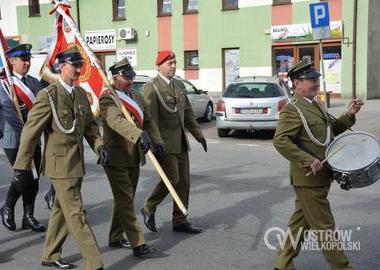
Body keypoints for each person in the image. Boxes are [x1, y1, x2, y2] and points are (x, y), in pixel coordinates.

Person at [13, 46, 107, 270]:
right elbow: (30, 131)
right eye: (74, 65)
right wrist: (22, 165)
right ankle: (95, 263)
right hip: (60, 165)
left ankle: (50, 254)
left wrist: (100, 145)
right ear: (61, 67)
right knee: (76, 213)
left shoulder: (81, 94)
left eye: (80, 65)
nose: (78, 69)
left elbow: (91, 128)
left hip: (77, 164)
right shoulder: (48, 96)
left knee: (61, 211)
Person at [273, 61, 363, 270]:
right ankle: (342, 267)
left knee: (300, 222)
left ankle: (282, 263)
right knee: (325, 227)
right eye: (311, 80)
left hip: (321, 175)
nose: (316, 83)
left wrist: (349, 115)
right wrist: (307, 159)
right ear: (297, 83)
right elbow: (280, 140)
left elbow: (330, 131)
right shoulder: (293, 109)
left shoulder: (315, 105)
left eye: (317, 79)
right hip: (308, 177)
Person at [99, 58, 161, 257]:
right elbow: (116, 121)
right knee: (126, 200)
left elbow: (149, 120)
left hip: (134, 156)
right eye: (126, 78)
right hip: (115, 156)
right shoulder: (108, 98)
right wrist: (138, 134)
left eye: (132, 77)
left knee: (124, 198)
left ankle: (115, 237)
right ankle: (138, 243)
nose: (131, 81)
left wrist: (157, 140)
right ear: (115, 78)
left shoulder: (135, 96)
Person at [141, 50, 207, 234]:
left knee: (184, 182)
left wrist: (198, 135)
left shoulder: (178, 86)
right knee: (172, 178)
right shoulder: (151, 88)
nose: (174, 66)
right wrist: (155, 143)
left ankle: (180, 220)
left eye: (175, 62)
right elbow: (149, 120)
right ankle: (149, 206)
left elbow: (187, 113)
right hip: (163, 144)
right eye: (170, 63)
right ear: (159, 66)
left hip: (180, 142)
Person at [0, 44, 45, 232]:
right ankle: (8, 206)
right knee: (22, 176)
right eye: (22, 60)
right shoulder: (4, 84)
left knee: (34, 179)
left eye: (28, 60)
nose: (27, 63)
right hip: (14, 140)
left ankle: (28, 216)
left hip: (33, 139)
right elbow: (9, 114)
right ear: (12, 61)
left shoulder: (35, 83)